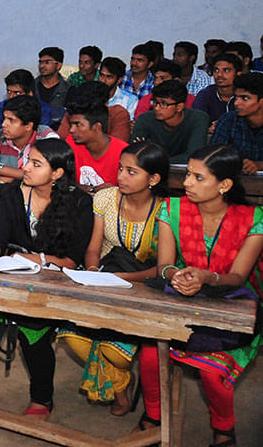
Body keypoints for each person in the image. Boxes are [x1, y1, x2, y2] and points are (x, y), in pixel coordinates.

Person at [133, 144, 263, 447]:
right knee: (151, 356)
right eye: (188, 174)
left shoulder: (254, 218)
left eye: (198, 178)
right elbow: (164, 266)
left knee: (211, 372)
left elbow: (238, 278)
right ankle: (154, 418)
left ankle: (223, 429)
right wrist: (175, 275)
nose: (187, 183)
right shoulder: (172, 209)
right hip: (180, 298)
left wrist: (206, 277)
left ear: (225, 185)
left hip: (230, 305)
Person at [0, 139, 94, 419]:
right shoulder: (12, 193)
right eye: (27, 160)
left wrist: (42, 260)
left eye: (36, 164)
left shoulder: (80, 202)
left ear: (57, 173)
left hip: (57, 281)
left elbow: (74, 259)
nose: (25, 167)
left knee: (32, 329)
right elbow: (0, 237)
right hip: (15, 275)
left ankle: (41, 398)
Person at [58, 142, 168, 415]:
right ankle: (121, 384)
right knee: (72, 336)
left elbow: (164, 268)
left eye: (132, 172)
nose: (120, 177)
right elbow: (94, 248)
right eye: (120, 169)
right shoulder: (105, 199)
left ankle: (119, 386)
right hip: (106, 276)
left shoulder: (166, 210)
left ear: (153, 179)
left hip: (147, 286)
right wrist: (94, 272)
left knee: (113, 351)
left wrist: (123, 277)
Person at [131, 80, 209, 164]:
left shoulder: (198, 119)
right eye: (155, 102)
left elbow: (194, 155)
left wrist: (156, 161)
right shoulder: (145, 119)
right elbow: (134, 152)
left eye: (163, 104)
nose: (157, 108)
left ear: (179, 107)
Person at [0, 95, 59, 182]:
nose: (3, 124)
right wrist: (22, 176)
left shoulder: (47, 138)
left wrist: (9, 176)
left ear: (28, 126)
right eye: (4, 118)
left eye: (11, 120)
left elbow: (50, 176)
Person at [65, 99, 127, 193]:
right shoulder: (71, 142)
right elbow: (64, 180)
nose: (71, 130)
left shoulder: (123, 152)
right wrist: (91, 189)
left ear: (96, 127)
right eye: (71, 124)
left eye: (78, 125)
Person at [211, 72, 263, 173]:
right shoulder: (228, 120)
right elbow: (214, 155)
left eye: (245, 98)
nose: (236, 103)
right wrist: (238, 164)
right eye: (236, 97)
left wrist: (258, 165)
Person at [55, 80, 132, 143]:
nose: (72, 130)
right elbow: (61, 142)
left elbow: (117, 148)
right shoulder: (74, 111)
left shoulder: (118, 114)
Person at [0, 69, 53, 134]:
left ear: (30, 94)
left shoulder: (43, 110)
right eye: (9, 91)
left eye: (17, 93)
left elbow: (42, 135)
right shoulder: (0, 108)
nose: (11, 96)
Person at [192, 52, 240, 125]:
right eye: (216, 70)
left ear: (238, 74)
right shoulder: (205, 95)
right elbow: (197, 124)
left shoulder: (245, 96)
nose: (219, 75)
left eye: (226, 70)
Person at [35, 47, 70, 124]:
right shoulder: (31, 86)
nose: (42, 66)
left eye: (47, 62)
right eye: (40, 62)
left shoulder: (69, 89)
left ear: (58, 65)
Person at [99, 57, 139, 121]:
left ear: (119, 80)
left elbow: (128, 126)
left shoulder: (130, 100)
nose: (103, 80)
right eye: (101, 75)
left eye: (109, 77)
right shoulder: (90, 95)